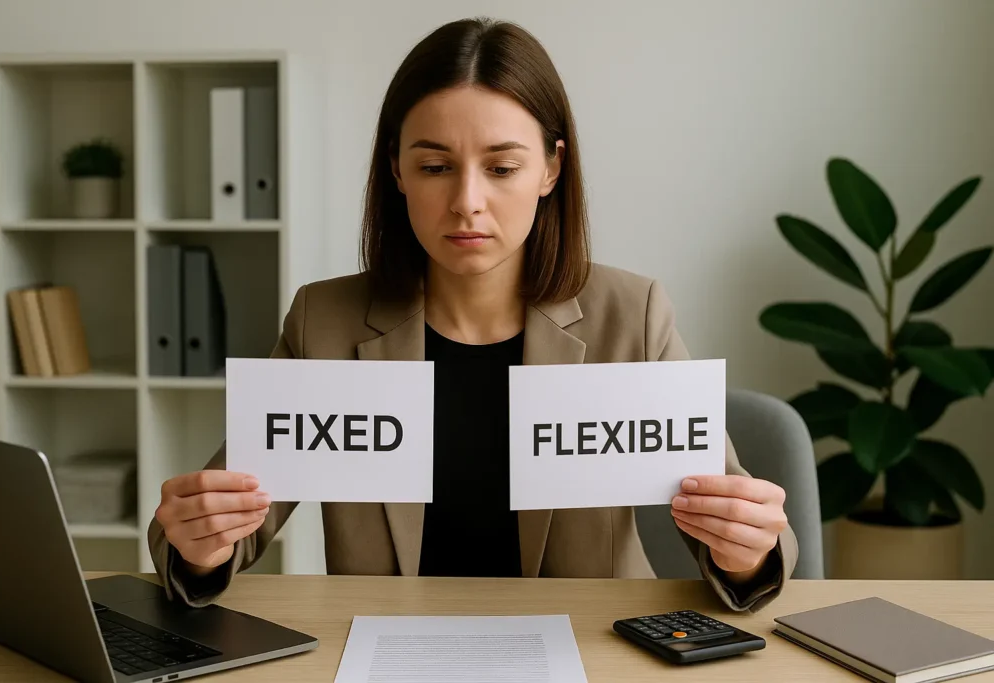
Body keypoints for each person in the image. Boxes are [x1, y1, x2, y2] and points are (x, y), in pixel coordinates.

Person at [148, 16, 797, 613]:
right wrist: (200, 544)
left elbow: (750, 541)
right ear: (397, 171)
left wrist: (746, 551)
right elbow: (227, 525)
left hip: (590, 650)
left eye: (502, 167)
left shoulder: (633, 314)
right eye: (434, 166)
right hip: (389, 650)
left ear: (551, 168)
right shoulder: (325, 319)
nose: (466, 202)